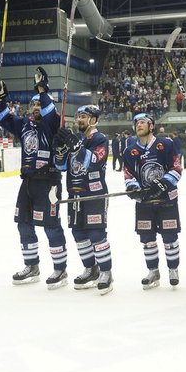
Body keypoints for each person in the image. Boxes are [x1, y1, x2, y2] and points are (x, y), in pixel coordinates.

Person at [0, 68, 69, 288]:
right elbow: (3, 118)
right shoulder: (24, 124)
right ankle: (32, 265)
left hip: (49, 181)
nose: (36, 107)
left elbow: (49, 110)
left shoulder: (53, 123)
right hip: (28, 182)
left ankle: (60, 269)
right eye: (33, 104)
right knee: (23, 224)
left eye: (40, 103)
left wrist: (42, 89)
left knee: (51, 225)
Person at [53, 105, 114, 294]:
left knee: (96, 234)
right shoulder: (77, 139)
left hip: (95, 194)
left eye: (83, 116)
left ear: (94, 120)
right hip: (75, 194)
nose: (79, 119)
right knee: (79, 234)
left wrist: (76, 146)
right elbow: (61, 166)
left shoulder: (100, 139)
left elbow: (95, 161)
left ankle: (106, 272)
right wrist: (60, 150)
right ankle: (91, 268)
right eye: (78, 116)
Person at [122, 112, 183, 289]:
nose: (139, 125)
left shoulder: (166, 144)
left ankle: (173, 269)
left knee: (170, 237)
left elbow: (177, 168)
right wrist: (133, 187)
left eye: (143, 122)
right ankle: (153, 271)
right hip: (145, 202)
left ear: (151, 126)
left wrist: (164, 183)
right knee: (147, 239)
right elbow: (128, 173)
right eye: (137, 123)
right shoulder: (129, 149)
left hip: (167, 201)